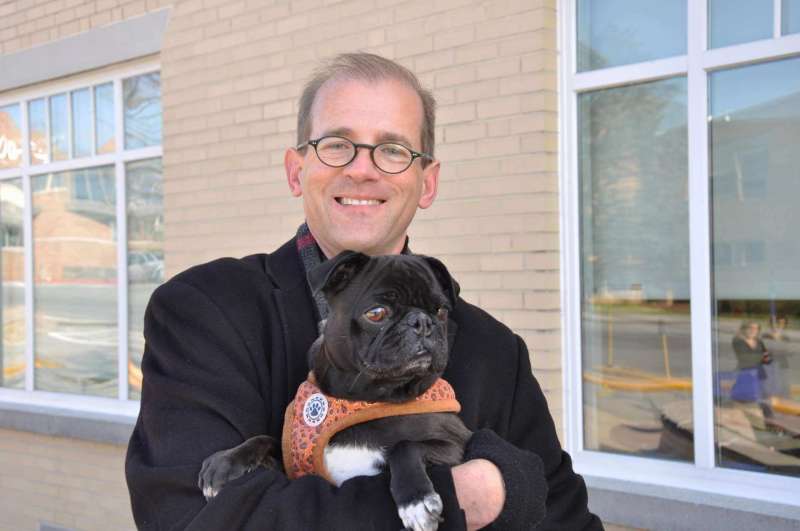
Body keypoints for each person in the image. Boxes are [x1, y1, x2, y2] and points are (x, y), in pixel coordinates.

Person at [125, 53, 602, 530]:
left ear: (427, 183)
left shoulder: (494, 351)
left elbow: (567, 522)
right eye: (337, 145)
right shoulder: (205, 310)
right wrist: (469, 498)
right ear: (296, 171)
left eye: (393, 150)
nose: (363, 169)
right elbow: (192, 519)